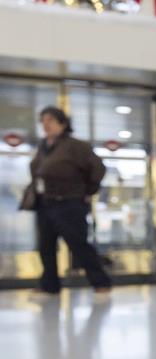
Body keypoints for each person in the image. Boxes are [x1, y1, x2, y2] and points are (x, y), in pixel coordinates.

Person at [29, 106, 112, 299]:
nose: (46, 124)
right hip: (45, 203)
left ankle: (101, 283)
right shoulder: (43, 146)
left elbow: (98, 169)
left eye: (50, 120)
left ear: (63, 123)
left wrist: (87, 191)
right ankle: (49, 285)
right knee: (46, 246)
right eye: (43, 120)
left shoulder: (76, 146)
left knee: (79, 245)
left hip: (69, 203)